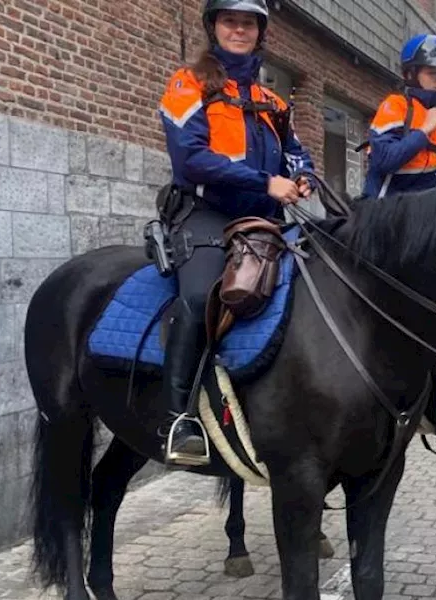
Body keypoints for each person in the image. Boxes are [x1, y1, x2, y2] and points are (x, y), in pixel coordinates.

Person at [156, 0, 317, 465]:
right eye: (231, 21)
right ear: (214, 27)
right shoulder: (188, 84)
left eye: (248, 23)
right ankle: (178, 419)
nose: (239, 30)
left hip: (266, 222)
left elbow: (296, 153)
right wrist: (265, 181)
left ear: (260, 32)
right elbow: (190, 159)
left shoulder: (273, 101)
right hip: (206, 215)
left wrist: (302, 176)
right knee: (199, 296)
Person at [361, 34, 436, 199]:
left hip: (434, 218)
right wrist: (424, 130)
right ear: (410, 74)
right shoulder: (395, 107)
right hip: (388, 215)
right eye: (433, 73)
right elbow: (382, 161)